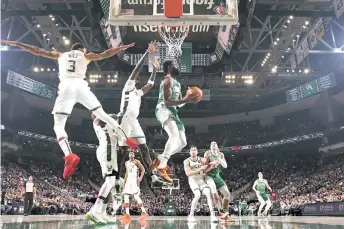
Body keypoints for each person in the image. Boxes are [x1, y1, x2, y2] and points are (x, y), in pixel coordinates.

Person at [1, 40, 138, 179]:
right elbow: (105, 54)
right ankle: (126, 138)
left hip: (66, 87)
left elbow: (37, 50)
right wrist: (121, 48)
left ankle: (69, 155)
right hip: (81, 86)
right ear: (82, 49)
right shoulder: (85, 56)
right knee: (101, 114)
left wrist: (18, 44)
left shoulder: (61, 55)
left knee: (59, 125)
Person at [116, 41, 161, 185]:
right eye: (136, 79)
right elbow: (136, 69)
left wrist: (154, 70)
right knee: (123, 150)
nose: (137, 79)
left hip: (134, 120)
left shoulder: (138, 92)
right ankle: (115, 175)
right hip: (124, 118)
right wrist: (148, 52)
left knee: (144, 147)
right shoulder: (128, 87)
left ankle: (152, 175)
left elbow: (151, 84)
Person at [152, 60, 198, 183]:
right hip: (163, 108)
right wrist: (185, 100)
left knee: (182, 142)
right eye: (175, 65)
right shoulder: (167, 80)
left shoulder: (177, 83)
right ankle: (162, 166)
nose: (178, 66)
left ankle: (160, 158)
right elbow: (167, 102)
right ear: (169, 68)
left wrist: (186, 99)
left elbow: (179, 104)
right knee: (174, 136)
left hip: (173, 111)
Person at [86, 114, 122, 224]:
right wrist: (110, 116)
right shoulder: (100, 123)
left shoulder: (111, 126)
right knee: (110, 181)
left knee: (113, 184)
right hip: (107, 152)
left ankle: (102, 212)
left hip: (111, 154)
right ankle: (94, 211)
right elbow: (97, 120)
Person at [184, 146, 217, 222]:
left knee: (208, 194)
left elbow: (206, 168)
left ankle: (212, 215)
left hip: (201, 179)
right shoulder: (186, 161)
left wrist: (212, 165)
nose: (193, 151)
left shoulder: (201, 159)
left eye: (194, 150)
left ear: (197, 152)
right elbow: (188, 173)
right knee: (197, 195)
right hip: (193, 180)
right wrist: (200, 169)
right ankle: (191, 215)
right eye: (191, 150)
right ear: (189, 152)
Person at [204, 141, 231, 221]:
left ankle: (224, 211)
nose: (213, 144)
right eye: (211, 144)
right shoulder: (207, 153)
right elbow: (204, 168)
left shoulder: (221, 154)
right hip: (208, 176)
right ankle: (221, 212)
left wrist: (219, 159)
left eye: (214, 143)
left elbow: (225, 166)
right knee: (214, 193)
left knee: (227, 194)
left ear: (217, 146)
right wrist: (211, 165)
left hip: (217, 176)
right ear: (210, 147)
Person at [120, 151, 148, 221]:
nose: (131, 154)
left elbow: (143, 170)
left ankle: (144, 212)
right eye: (130, 153)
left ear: (134, 155)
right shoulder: (126, 163)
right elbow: (127, 173)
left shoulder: (137, 161)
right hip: (128, 181)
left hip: (134, 181)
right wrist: (124, 181)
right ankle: (127, 214)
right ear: (129, 155)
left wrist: (141, 177)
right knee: (125, 196)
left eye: (132, 153)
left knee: (136, 196)